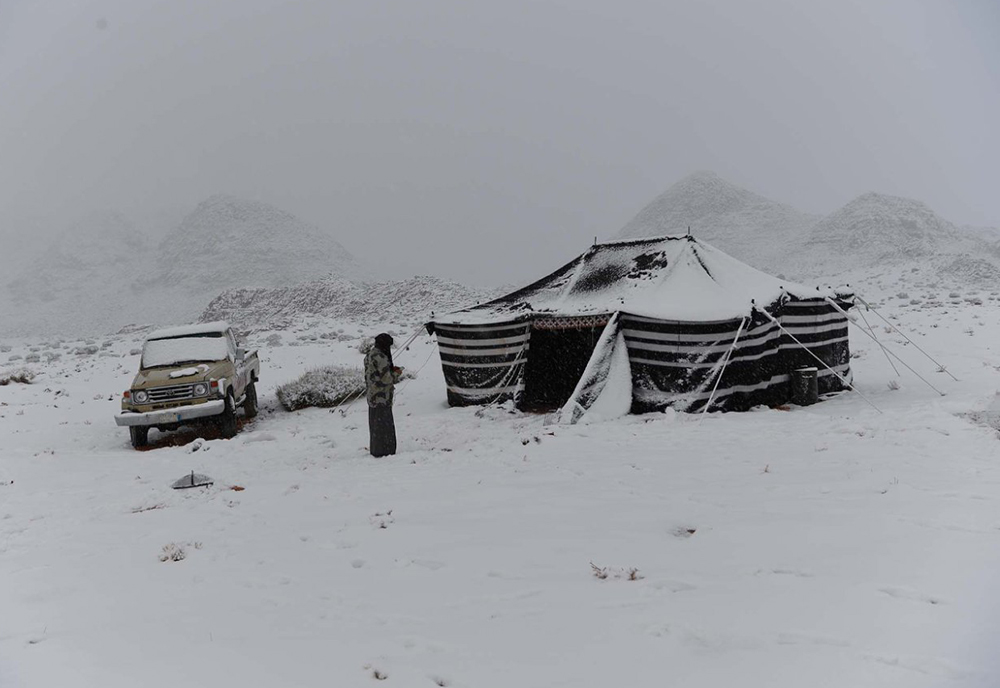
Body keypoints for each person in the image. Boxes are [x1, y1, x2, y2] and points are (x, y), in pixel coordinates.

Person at [364, 333, 402, 457]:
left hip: (372, 396)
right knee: (384, 425)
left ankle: (376, 449)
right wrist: (397, 373)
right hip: (382, 397)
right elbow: (386, 379)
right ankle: (385, 450)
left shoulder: (370, 354)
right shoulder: (381, 357)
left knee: (375, 426)